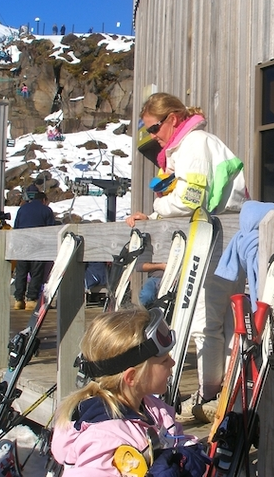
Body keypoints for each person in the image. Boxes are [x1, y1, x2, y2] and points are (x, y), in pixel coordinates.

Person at [126, 92, 248, 423]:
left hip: (218, 242)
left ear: (173, 119)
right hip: (227, 239)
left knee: (205, 324)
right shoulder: (196, 144)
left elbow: (191, 199)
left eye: (153, 128)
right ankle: (223, 390)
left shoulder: (194, 145)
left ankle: (210, 393)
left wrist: (157, 209)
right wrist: (155, 219)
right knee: (220, 322)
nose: (152, 137)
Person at [51, 307, 209, 476]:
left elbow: (175, 438)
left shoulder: (152, 408)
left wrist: (188, 452)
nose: (173, 362)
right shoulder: (105, 437)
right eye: (164, 361)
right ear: (132, 377)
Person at [13, 186, 55, 311]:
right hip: (38, 245)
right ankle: (31, 299)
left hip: (22, 244)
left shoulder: (22, 209)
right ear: (43, 200)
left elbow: (16, 227)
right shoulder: (46, 210)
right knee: (36, 273)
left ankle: (18, 300)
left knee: (21, 273)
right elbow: (51, 230)